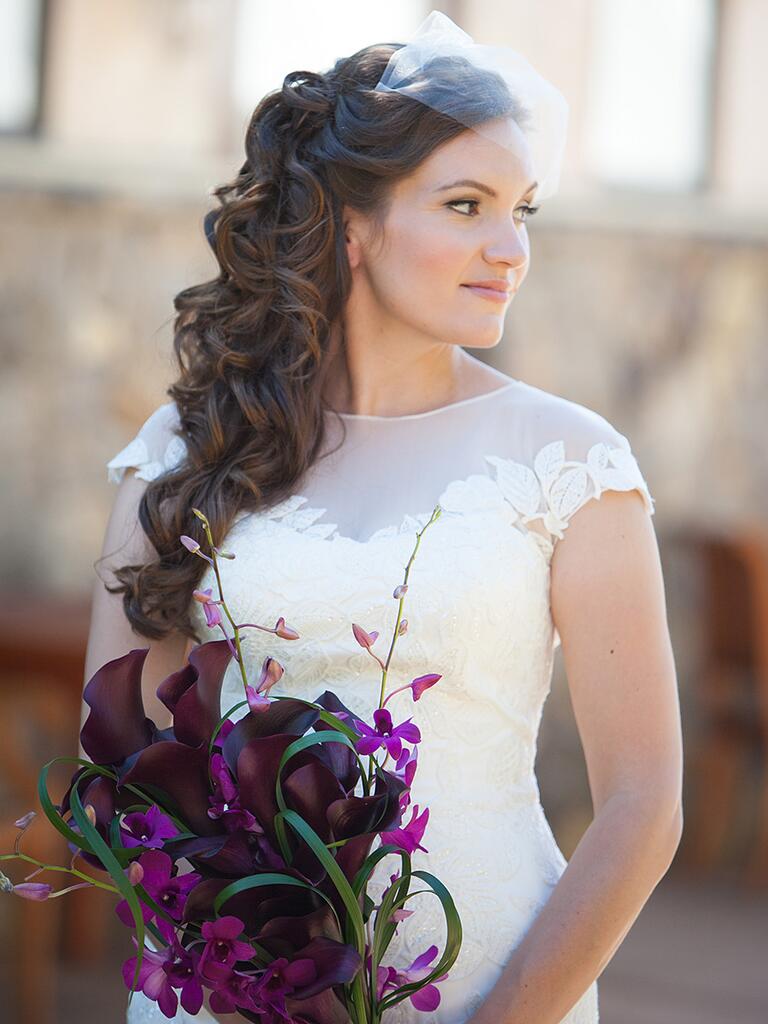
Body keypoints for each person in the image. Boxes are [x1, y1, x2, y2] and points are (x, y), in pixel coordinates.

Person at [87, 12, 683, 1024]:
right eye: (466, 206)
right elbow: (129, 751)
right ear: (350, 227)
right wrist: (239, 984)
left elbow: (643, 804)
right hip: (228, 997)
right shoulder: (190, 447)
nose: (510, 249)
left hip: (493, 980)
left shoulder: (571, 464)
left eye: (522, 211)